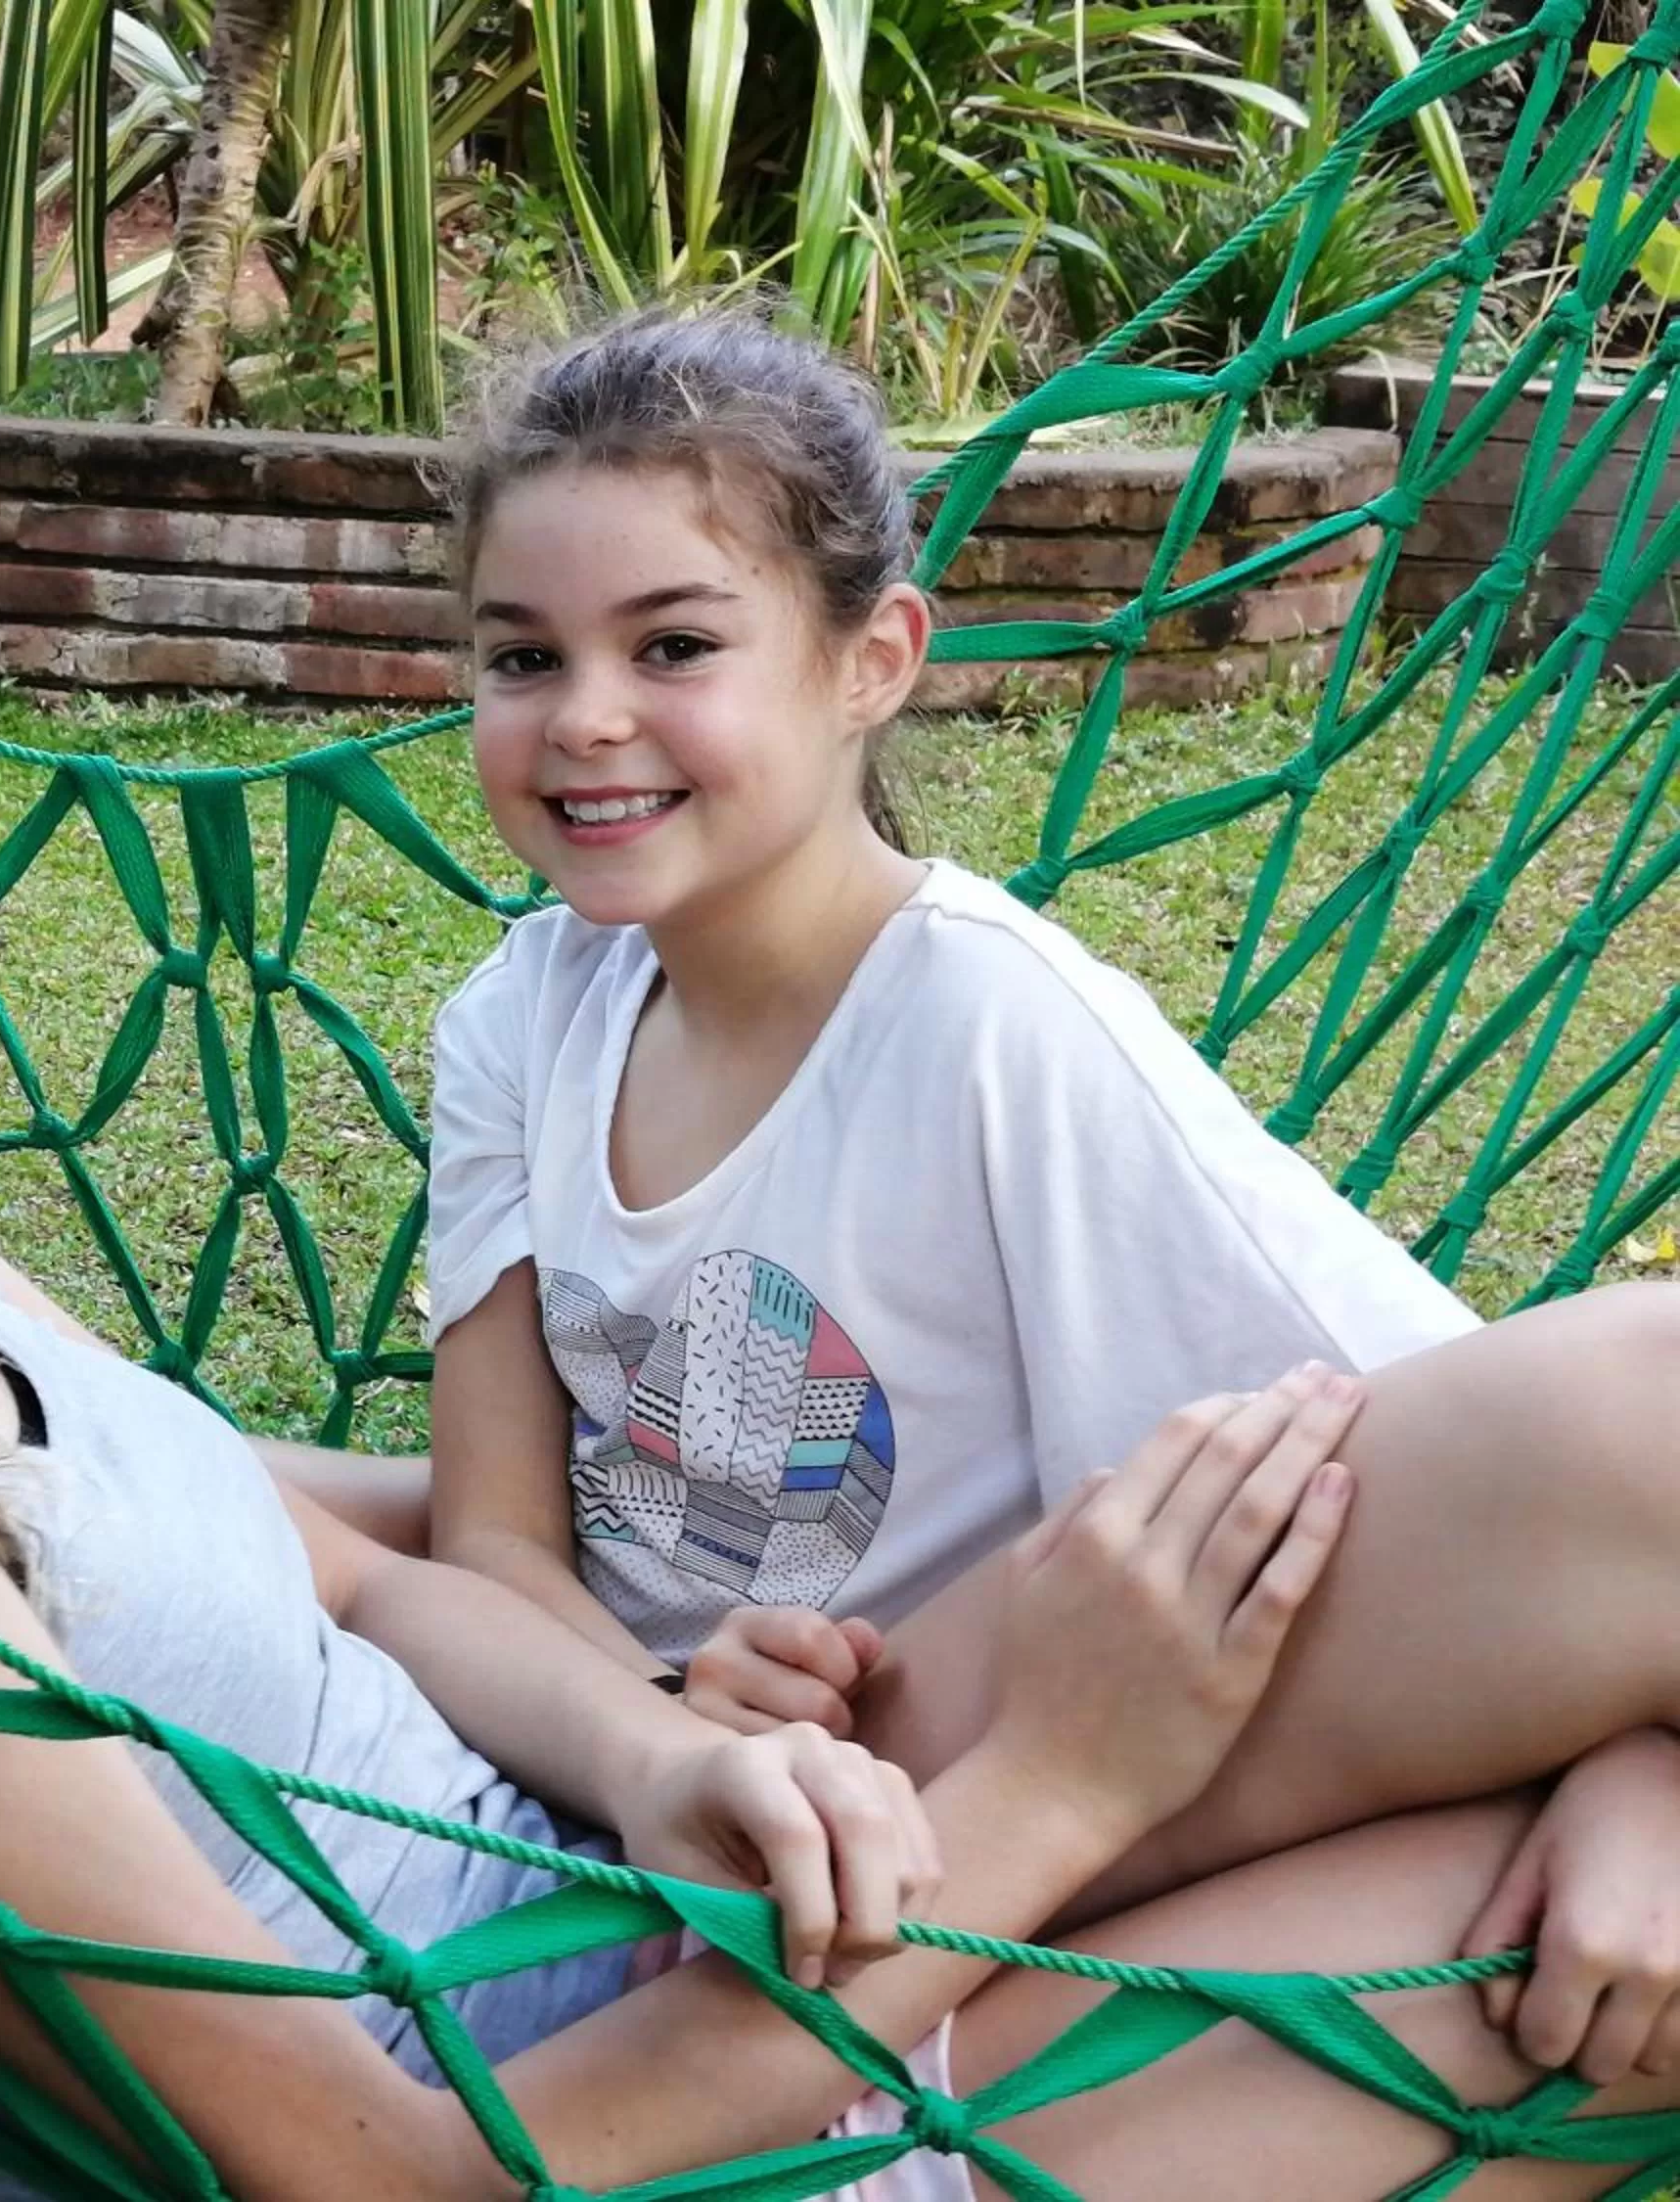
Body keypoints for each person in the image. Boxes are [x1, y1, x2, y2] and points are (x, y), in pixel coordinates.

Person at [0, 579, 1680, 2200]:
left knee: (1637, 1436)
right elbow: (403, 2193)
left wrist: (662, 1724)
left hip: (669, 1860)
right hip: (743, 2126)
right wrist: (1068, 1777)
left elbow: (303, 1543)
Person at [418, 300, 1680, 2073]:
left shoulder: (994, 1026)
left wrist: (1642, 1758)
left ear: (873, 659)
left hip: (1003, 1766)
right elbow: (489, 1536)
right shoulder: (521, 1020)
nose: (586, 719)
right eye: (521, 656)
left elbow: (1450, 1447)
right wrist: (662, 1718)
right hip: (677, 1802)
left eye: (675, 643)